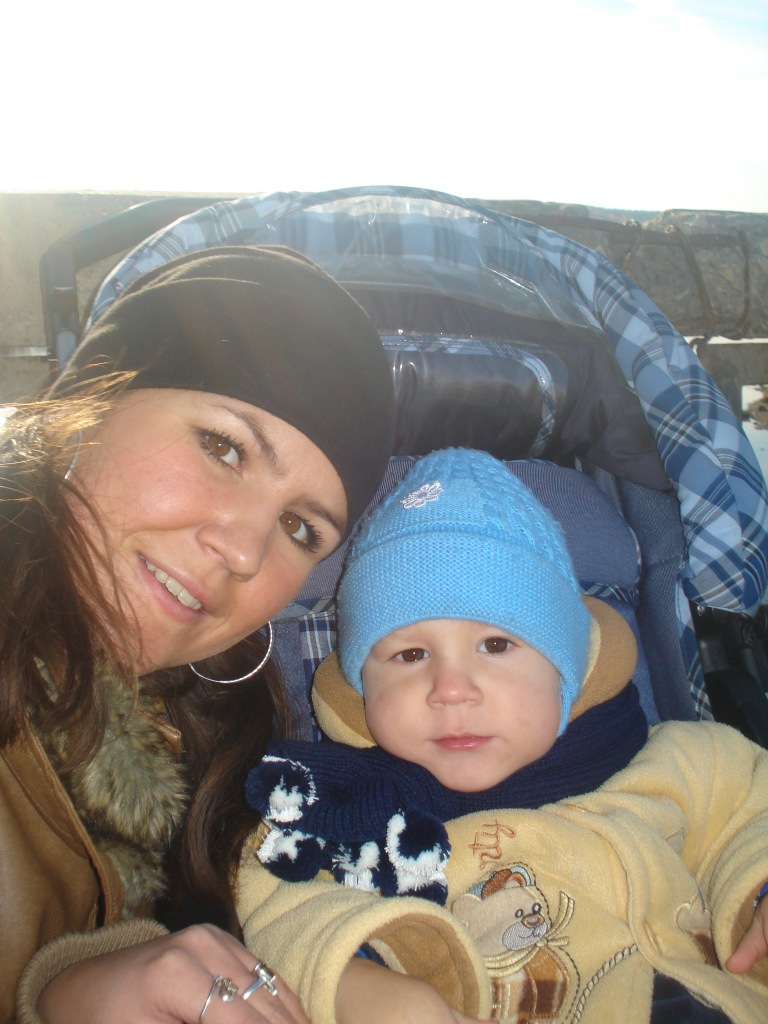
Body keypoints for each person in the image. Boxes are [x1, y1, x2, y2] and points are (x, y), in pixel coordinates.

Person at [0, 244, 396, 1024]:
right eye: (223, 447)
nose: (245, 552)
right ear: (90, 397)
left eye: (299, 527)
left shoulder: (219, 746)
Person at [241, 447, 768, 1024]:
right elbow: (277, 900)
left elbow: (755, 811)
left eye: (495, 645)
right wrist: (355, 977)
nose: (452, 689)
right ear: (361, 686)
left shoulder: (686, 762)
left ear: (565, 668)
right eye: (410, 654)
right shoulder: (343, 812)